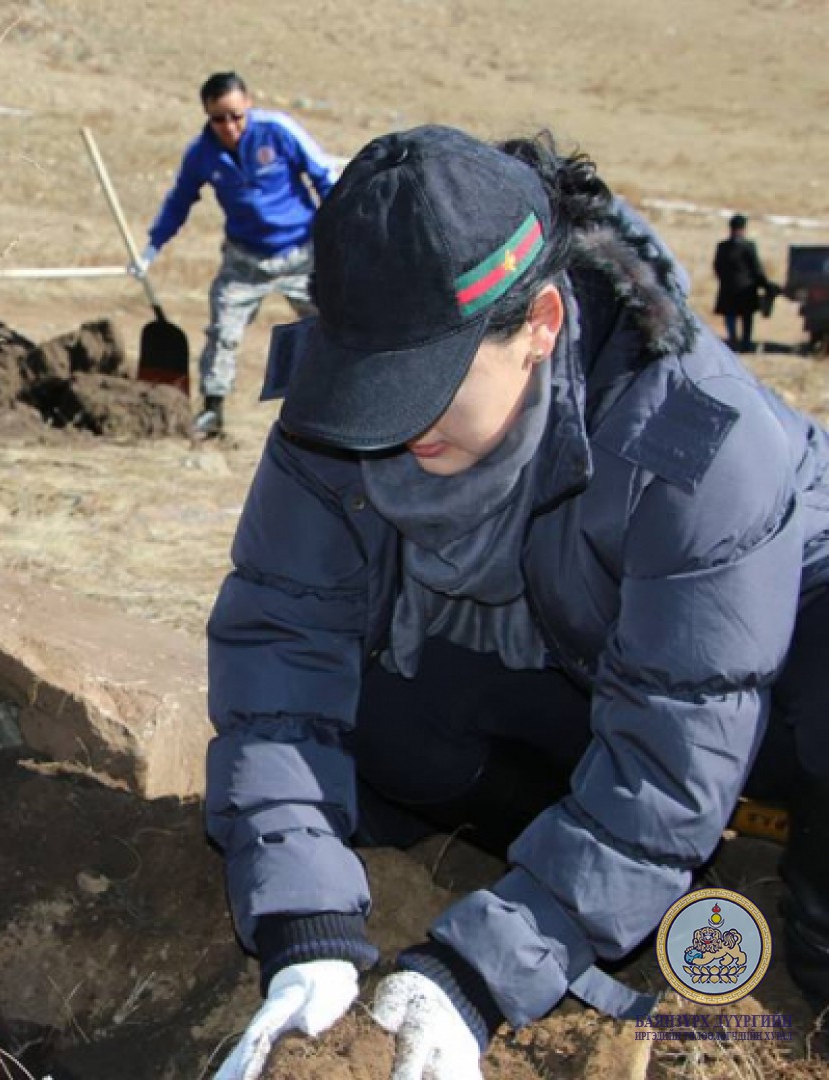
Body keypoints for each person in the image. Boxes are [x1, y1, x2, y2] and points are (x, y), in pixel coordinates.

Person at [207, 125, 829, 1080]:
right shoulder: (343, 402)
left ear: (540, 325)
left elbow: (673, 746)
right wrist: (303, 919)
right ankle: (607, 876)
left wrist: (480, 975)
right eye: (369, 384)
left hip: (779, 658)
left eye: (423, 384)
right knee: (385, 725)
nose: (393, 422)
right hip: (586, 658)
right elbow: (282, 650)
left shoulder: (696, 439)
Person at [137, 71, 337, 438]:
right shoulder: (202, 153)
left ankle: (343, 406)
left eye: (235, 116)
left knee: (335, 326)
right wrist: (153, 246)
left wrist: (345, 229)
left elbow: (325, 178)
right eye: (218, 118)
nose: (229, 126)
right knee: (223, 332)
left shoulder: (278, 132)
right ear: (207, 115)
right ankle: (213, 410)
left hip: (302, 254)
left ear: (248, 104)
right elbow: (179, 201)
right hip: (245, 260)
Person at [714, 212, 772, 353]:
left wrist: (725, 280)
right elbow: (756, 268)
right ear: (743, 229)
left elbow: (717, 266)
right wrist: (766, 285)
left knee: (731, 317)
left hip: (728, 288)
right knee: (747, 319)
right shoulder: (748, 246)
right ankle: (745, 344)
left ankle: (733, 341)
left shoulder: (723, 246)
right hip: (746, 288)